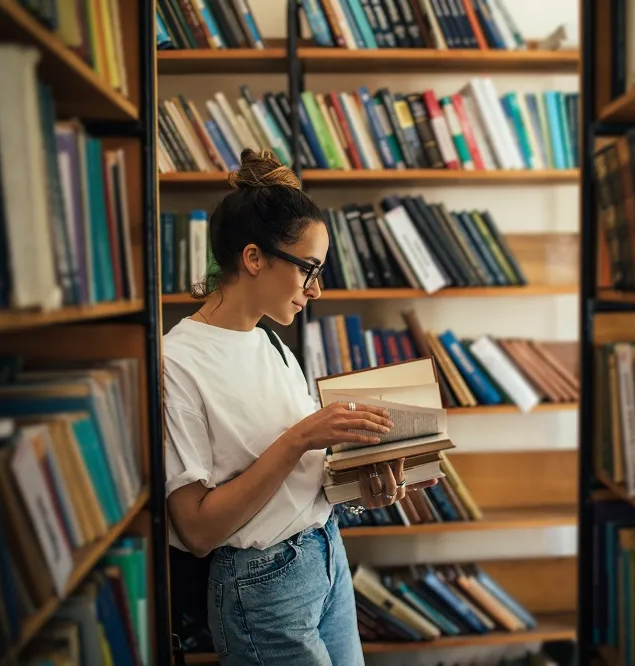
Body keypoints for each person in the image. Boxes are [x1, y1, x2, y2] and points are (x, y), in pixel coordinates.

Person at [162, 149, 435, 666]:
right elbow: (197, 530)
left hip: (325, 556)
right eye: (309, 268)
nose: (316, 288)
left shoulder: (270, 344)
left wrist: (362, 487)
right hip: (262, 588)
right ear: (254, 258)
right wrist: (300, 438)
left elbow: (298, 483)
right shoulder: (177, 361)